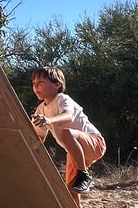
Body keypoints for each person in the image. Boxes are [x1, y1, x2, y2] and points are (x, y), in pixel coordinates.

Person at [30, 66, 105, 195]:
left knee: (66, 132)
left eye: (41, 82)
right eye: (34, 83)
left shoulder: (62, 99)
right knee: (71, 191)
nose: (36, 86)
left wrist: (49, 120)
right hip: (74, 153)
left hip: (95, 143)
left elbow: (68, 116)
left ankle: (84, 175)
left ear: (57, 84)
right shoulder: (40, 110)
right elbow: (39, 139)